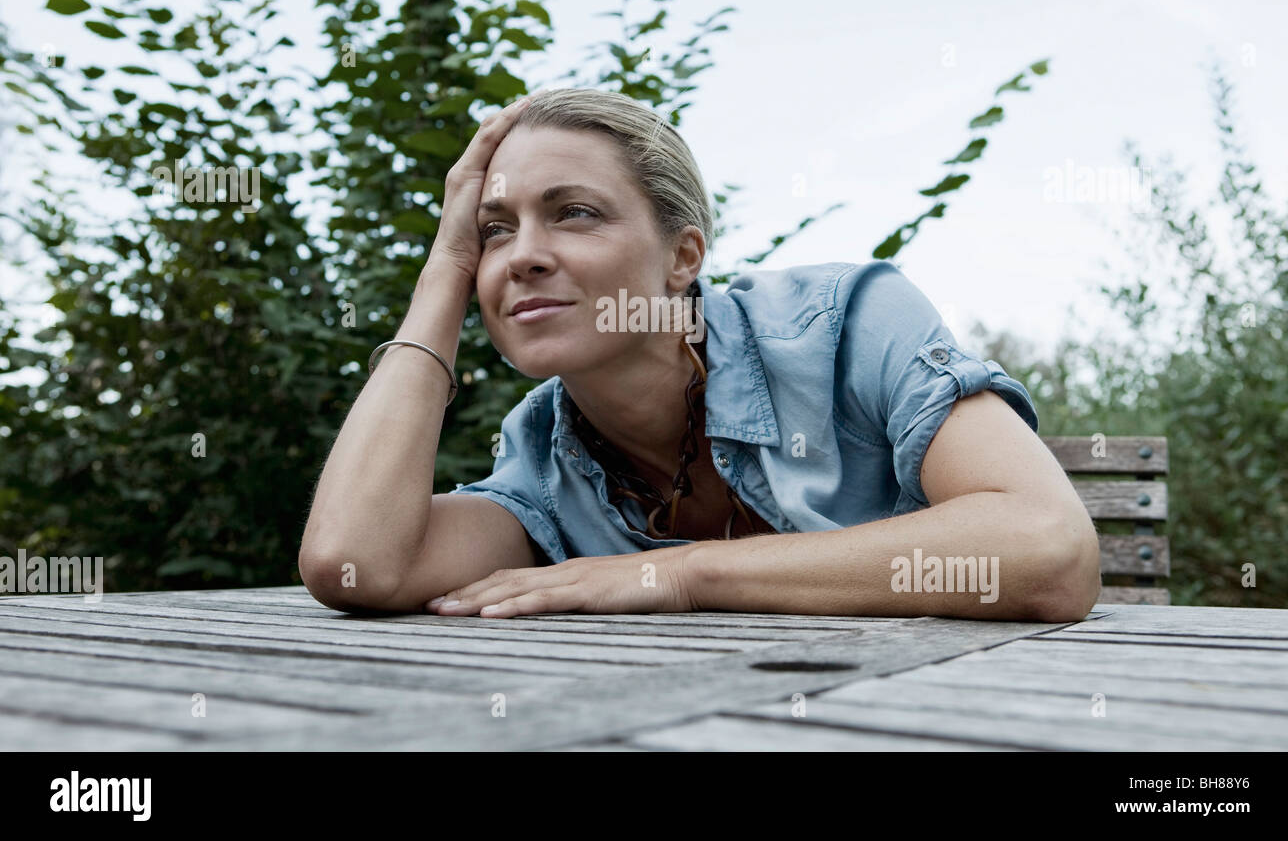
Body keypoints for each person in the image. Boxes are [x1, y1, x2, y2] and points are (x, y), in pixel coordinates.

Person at [299, 88, 1101, 622]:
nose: (521, 257)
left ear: (683, 257)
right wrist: (442, 272)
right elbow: (352, 565)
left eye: (574, 213)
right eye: (495, 229)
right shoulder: (543, 458)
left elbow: (1048, 549)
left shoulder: (845, 323)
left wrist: (680, 575)